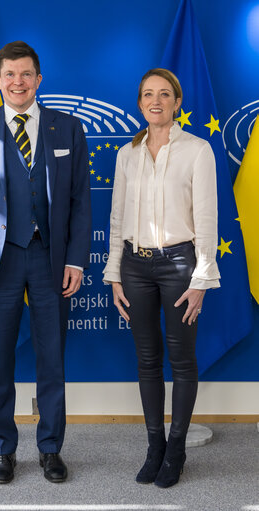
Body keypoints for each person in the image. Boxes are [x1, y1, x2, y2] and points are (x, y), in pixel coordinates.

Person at [0, 41, 91, 484]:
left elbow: (79, 203)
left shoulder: (67, 128)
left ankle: (51, 449)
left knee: (52, 360)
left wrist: (76, 259)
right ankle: (5, 450)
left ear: (38, 79)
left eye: (26, 74)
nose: (18, 82)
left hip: (50, 259)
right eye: (10, 75)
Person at [103, 68, 220, 488]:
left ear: (176, 102)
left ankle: (177, 448)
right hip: (135, 266)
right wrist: (115, 272)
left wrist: (201, 277)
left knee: (182, 360)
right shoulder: (126, 154)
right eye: (148, 94)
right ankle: (154, 447)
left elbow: (207, 219)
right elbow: (117, 218)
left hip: (178, 267)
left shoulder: (197, 150)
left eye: (164, 94)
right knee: (148, 360)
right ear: (139, 103)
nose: (156, 101)